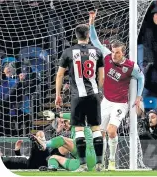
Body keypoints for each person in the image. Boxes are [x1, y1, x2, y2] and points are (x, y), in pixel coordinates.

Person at [89, 10, 145, 170]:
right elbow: (95, 40)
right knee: (100, 134)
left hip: (120, 103)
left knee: (112, 131)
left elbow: (141, 78)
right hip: (106, 100)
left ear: (123, 53)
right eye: (113, 52)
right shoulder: (106, 56)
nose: (114, 55)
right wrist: (91, 22)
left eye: (117, 53)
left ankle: (112, 161)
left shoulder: (131, 66)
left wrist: (139, 96)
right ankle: (102, 162)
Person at [55, 23, 104, 172]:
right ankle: (100, 164)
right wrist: (98, 91)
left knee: (79, 130)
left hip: (78, 96)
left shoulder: (68, 52)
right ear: (88, 35)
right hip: (94, 94)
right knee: (96, 129)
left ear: (76, 36)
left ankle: (82, 165)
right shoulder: (97, 52)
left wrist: (57, 95)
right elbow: (101, 77)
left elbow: (59, 75)